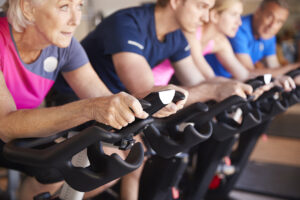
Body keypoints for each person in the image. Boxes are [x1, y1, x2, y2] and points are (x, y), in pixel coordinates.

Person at [52, 0, 264, 199]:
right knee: (113, 164)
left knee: (130, 162)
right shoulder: (128, 23)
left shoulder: (176, 36)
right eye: (201, 6)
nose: (206, 16)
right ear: (175, 2)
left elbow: (198, 80)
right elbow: (146, 91)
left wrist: (232, 88)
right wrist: (213, 91)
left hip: (116, 103)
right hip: (74, 100)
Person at [0, 0, 188, 199]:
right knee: (58, 165)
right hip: (7, 131)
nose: (75, 19)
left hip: (21, 134)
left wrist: (149, 105)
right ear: (27, 8)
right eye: (64, 6)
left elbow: (103, 98)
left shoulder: (65, 46)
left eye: (79, 6)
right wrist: (89, 108)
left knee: (107, 160)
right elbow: (5, 126)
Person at [206, 0, 300, 80]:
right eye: (269, 17)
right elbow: (249, 71)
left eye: (279, 22)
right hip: (222, 80)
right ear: (258, 12)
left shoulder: (268, 35)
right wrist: (293, 67)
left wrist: (287, 77)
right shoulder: (238, 30)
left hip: (227, 81)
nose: (272, 25)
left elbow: (274, 68)